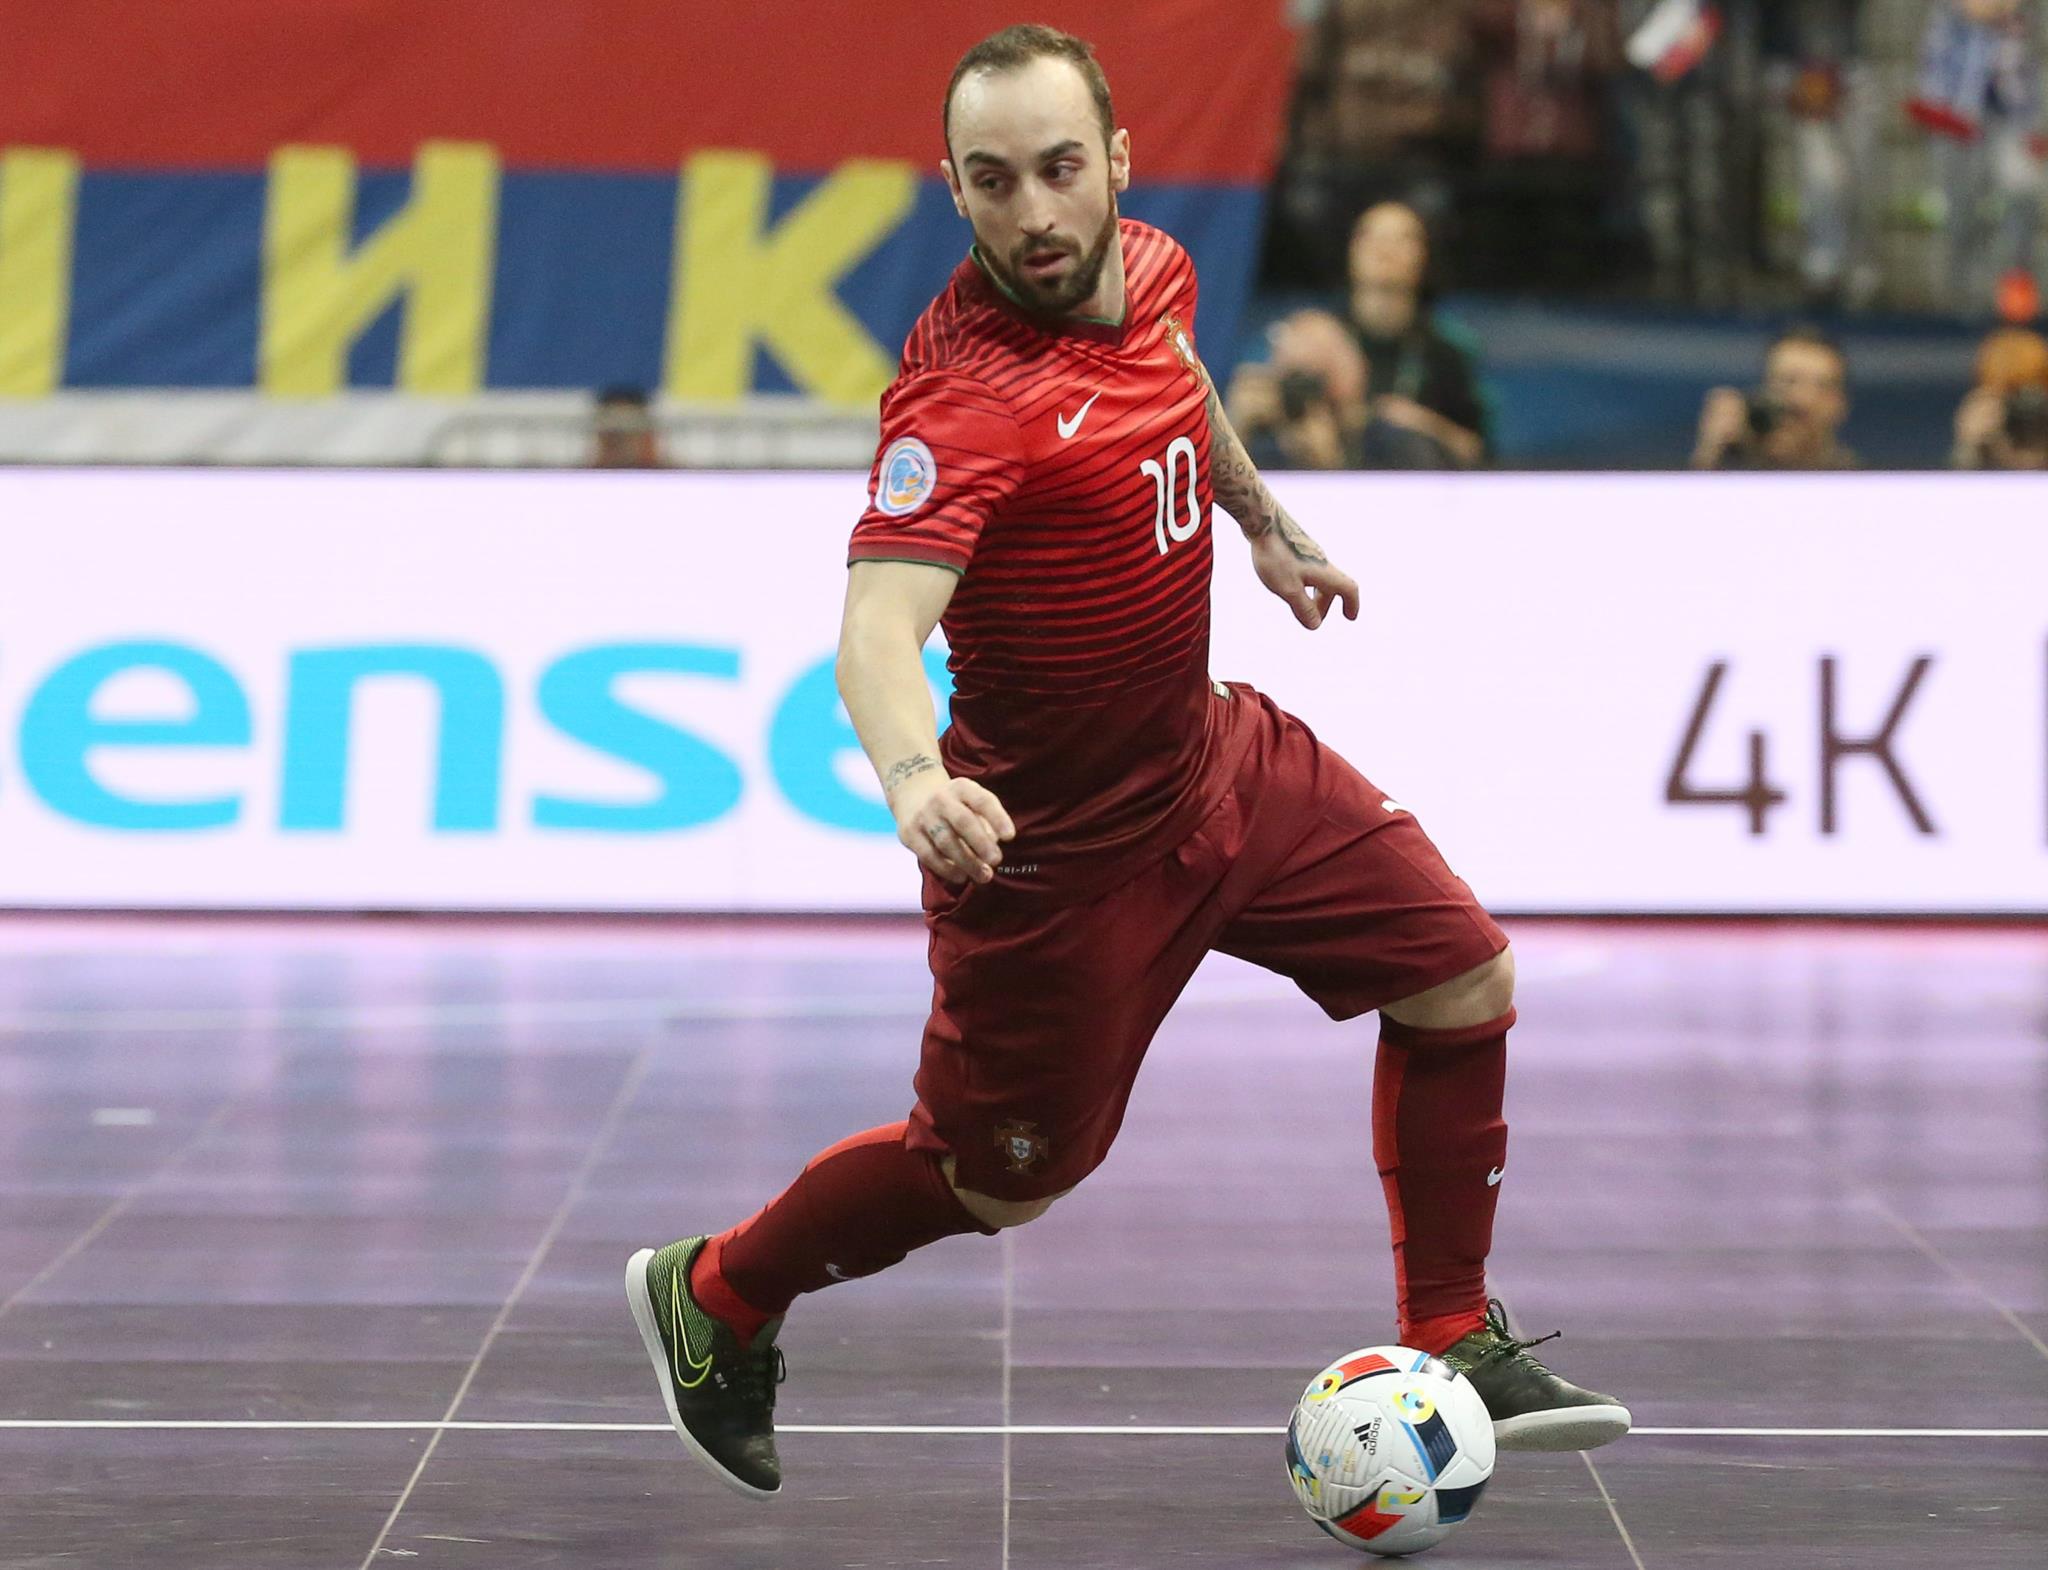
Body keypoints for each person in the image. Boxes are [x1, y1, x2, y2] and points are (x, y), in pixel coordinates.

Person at [624, 24, 1631, 1504]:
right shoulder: (962, 401)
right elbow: (873, 629)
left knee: (1464, 974)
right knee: (996, 1180)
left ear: (1117, 163)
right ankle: (713, 1292)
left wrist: (1260, 519)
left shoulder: (1156, 266)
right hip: (1055, 866)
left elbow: (1173, 378)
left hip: (1220, 765)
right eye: (991, 182)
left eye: (1058, 169)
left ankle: (1450, 1334)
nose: (1033, 214)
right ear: (954, 193)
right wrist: (915, 784)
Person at [1691, 324, 1857, 469]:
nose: (1802, 400)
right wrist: (1710, 456)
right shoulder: (1731, 473)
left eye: (1822, 387)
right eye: (1788, 382)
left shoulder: (1862, 485)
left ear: (1841, 403)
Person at [1227, 309, 1374, 469]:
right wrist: (1232, 434)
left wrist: (1332, 464)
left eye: (1315, 384)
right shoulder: (1258, 433)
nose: (1304, 398)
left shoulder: (1379, 439)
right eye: (1295, 379)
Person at [1952, 326, 2048, 469]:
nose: (2026, 406)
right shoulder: (1986, 411)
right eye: (2012, 393)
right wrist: (1973, 444)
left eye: (2035, 389)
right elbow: (1961, 469)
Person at [589, 386, 664, 468]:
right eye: (613, 428)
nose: (620, 437)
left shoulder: (673, 476)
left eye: (630, 425)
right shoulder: (579, 476)